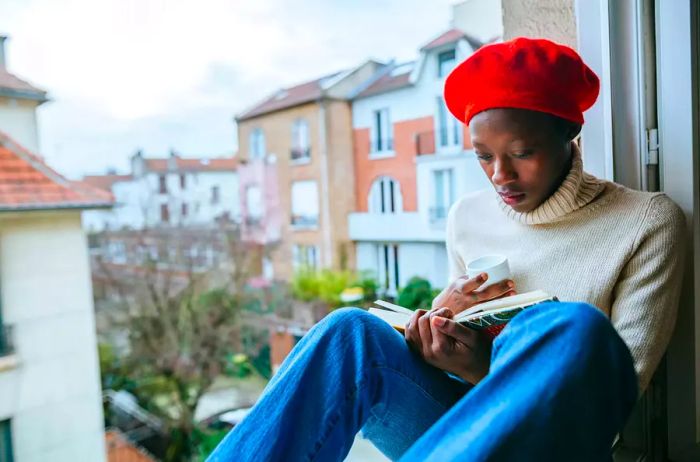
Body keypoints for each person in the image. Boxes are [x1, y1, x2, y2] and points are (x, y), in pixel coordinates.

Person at [208, 37, 686, 462]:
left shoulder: (644, 222)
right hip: (460, 425)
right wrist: (438, 327)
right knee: (350, 331)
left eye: (521, 153)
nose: (500, 174)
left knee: (568, 328)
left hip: (561, 445)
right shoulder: (468, 216)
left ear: (569, 135)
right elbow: (447, 368)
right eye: (483, 155)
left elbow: (612, 397)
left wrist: (483, 365)